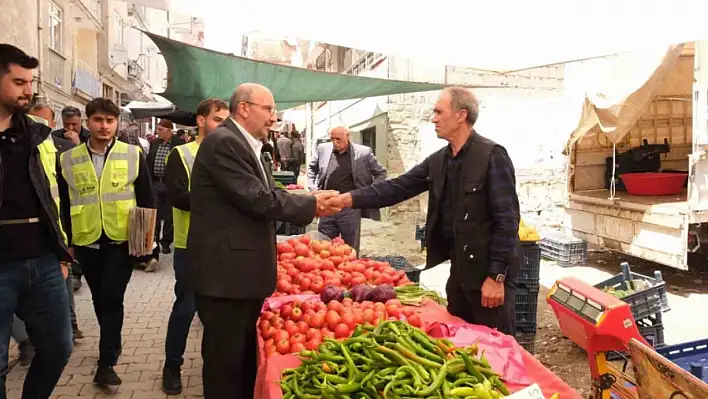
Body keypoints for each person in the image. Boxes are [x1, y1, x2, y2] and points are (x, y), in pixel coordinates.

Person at [186, 83, 340, 398]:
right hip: (226, 278)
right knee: (225, 368)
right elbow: (257, 198)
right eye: (268, 109)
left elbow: (266, 194)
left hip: (238, 277)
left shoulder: (245, 144)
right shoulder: (224, 143)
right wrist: (312, 205)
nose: (273, 118)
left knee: (240, 362)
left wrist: (307, 198)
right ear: (244, 107)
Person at [327, 87, 520, 334]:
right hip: (459, 276)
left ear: (461, 115)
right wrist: (348, 199)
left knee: (498, 351)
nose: (434, 118)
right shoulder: (439, 161)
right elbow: (397, 187)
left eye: (439, 112)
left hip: (487, 280)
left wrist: (497, 277)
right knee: (463, 345)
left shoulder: (492, 155)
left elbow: (508, 220)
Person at [59, 97, 156, 387]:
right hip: (86, 239)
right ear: (88, 122)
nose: (104, 126)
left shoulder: (132, 154)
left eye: (110, 121)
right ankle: (111, 339)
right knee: (100, 298)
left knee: (113, 296)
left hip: (121, 239)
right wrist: (66, 242)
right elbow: (63, 203)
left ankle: (107, 362)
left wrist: (146, 245)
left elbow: (147, 198)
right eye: (98, 120)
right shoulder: (68, 158)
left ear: (117, 124)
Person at [0, 43, 73, 399]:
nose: (29, 90)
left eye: (30, 82)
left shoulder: (38, 134)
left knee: (59, 348)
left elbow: (54, 197)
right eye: (19, 82)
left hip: (43, 261)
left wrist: (60, 253)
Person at [161, 98, 229, 395]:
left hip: (225, 245)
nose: (222, 127)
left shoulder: (231, 154)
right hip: (191, 245)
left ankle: (214, 371)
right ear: (201, 121)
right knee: (186, 307)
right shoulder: (181, 154)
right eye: (217, 120)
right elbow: (178, 197)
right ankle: (172, 365)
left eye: (226, 121)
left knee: (218, 313)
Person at [28, 104, 84, 342]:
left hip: (58, 226)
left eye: (43, 121)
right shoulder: (20, 147)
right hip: (31, 230)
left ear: (51, 124)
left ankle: (70, 324)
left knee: (64, 279)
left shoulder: (65, 149)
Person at [307, 126, 387, 255]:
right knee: (323, 246)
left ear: (348, 136)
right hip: (327, 206)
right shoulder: (323, 149)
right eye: (332, 139)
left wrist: (370, 192)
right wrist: (313, 189)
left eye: (338, 139)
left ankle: (350, 270)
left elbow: (381, 173)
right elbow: (311, 170)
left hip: (350, 208)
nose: (334, 142)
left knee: (350, 248)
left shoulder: (363, 153)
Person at [147, 119, 184, 259]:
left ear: (169, 130)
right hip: (155, 183)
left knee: (169, 215)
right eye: (157, 129)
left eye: (161, 129)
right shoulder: (154, 143)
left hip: (170, 184)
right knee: (154, 214)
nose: (158, 132)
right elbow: (149, 160)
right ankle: (154, 240)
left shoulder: (178, 144)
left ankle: (166, 241)